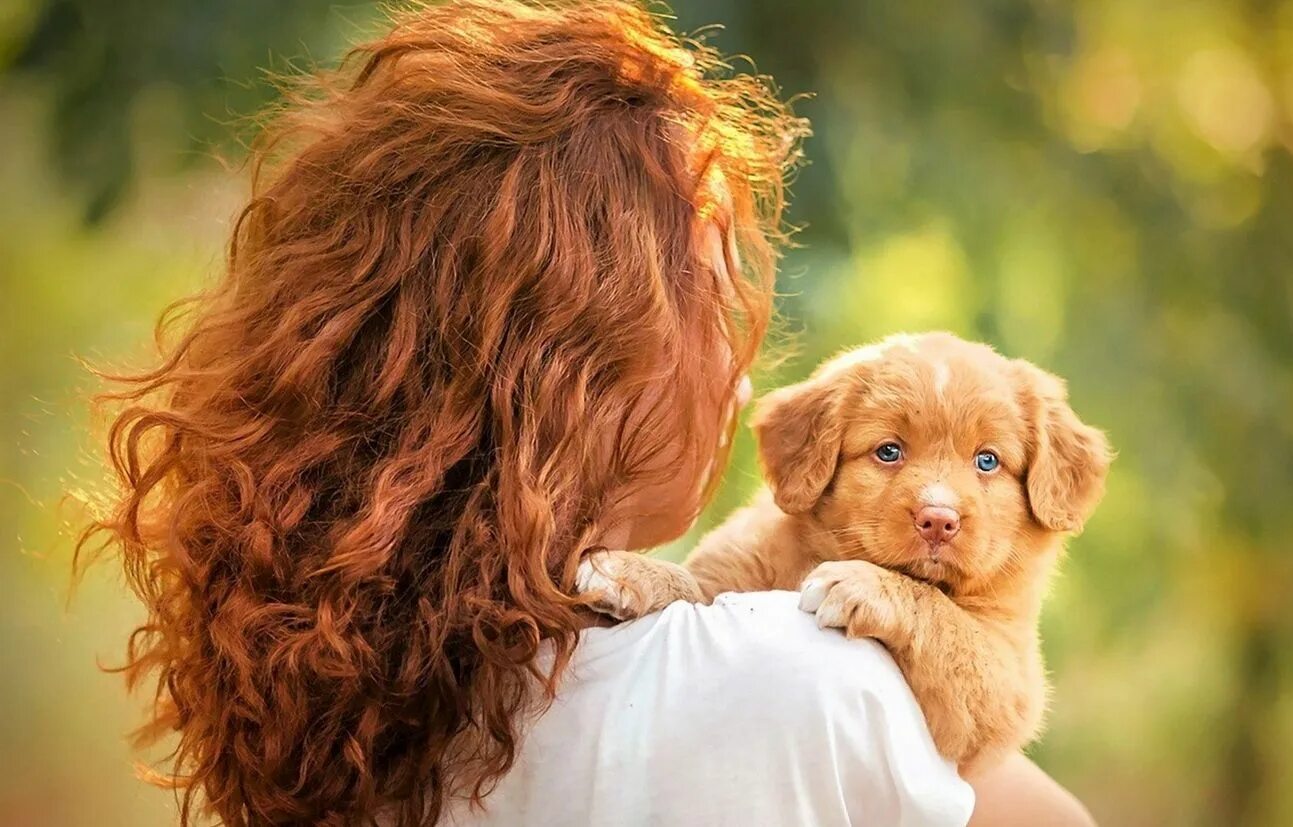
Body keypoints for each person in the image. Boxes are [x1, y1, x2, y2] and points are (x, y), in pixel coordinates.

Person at [81, 1, 1093, 825]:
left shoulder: (349, 716)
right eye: (705, 294)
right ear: (575, 362)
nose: (741, 372)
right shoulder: (802, 678)